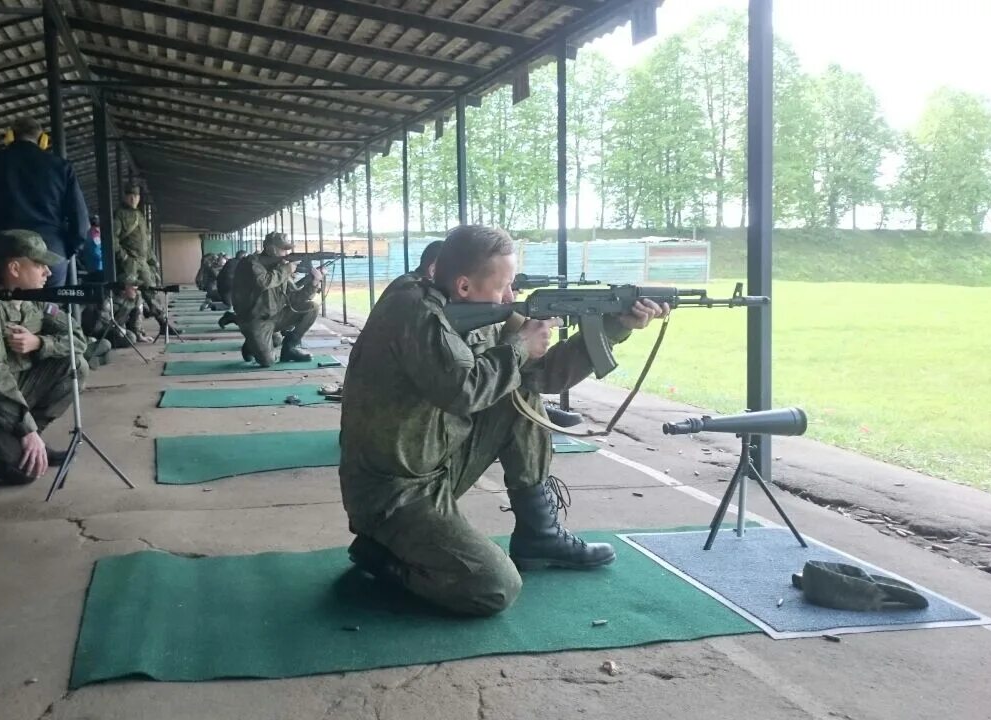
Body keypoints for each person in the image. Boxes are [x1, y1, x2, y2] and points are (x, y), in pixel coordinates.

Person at [338, 225, 668, 617]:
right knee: (494, 587)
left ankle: (538, 534)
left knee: (519, 393)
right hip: (393, 490)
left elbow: (541, 378)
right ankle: (383, 558)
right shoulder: (413, 312)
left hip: (437, 460)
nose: (512, 297)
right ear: (464, 287)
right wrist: (518, 347)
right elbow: (462, 390)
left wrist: (614, 326)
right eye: (506, 286)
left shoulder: (472, 306)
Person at [0, 229, 83, 485]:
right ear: (14, 268)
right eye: (39, 265)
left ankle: (33, 439)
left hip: (20, 392)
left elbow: (78, 339)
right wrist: (26, 428)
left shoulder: (35, 300)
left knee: (75, 364)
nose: (47, 272)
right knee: (25, 472)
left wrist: (40, 343)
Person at [0, 117, 89, 287]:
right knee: (50, 310)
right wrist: (66, 251)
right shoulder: (61, 167)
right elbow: (81, 221)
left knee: (5, 308)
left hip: (6, 252)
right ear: (43, 140)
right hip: (50, 251)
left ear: (10, 137)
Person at [233, 231, 323, 367]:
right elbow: (263, 282)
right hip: (255, 320)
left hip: (276, 316)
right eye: (284, 249)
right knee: (267, 362)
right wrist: (286, 269)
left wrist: (314, 282)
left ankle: (289, 349)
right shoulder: (251, 263)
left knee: (312, 307)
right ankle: (251, 344)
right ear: (270, 248)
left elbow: (295, 297)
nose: (287, 253)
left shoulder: (279, 268)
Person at [112, 184, 177, 334]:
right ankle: (121, 328)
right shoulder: (120, 214)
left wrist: (152, 261)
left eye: (136, 195)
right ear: (124, 196)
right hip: (129, 262)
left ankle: (163, 324)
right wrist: (124, 256)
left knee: (151, 292)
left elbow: (146, 242)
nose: (133, 198)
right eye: (130, 195)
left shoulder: (140, 216)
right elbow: (113, 239)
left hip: (142, 261)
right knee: (130, 296)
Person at [215, 249, 247, 328]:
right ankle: (230, 317)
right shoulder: (239, 264)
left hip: (226, 288)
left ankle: (230, 316)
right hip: (230, 289)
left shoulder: (231, 262)